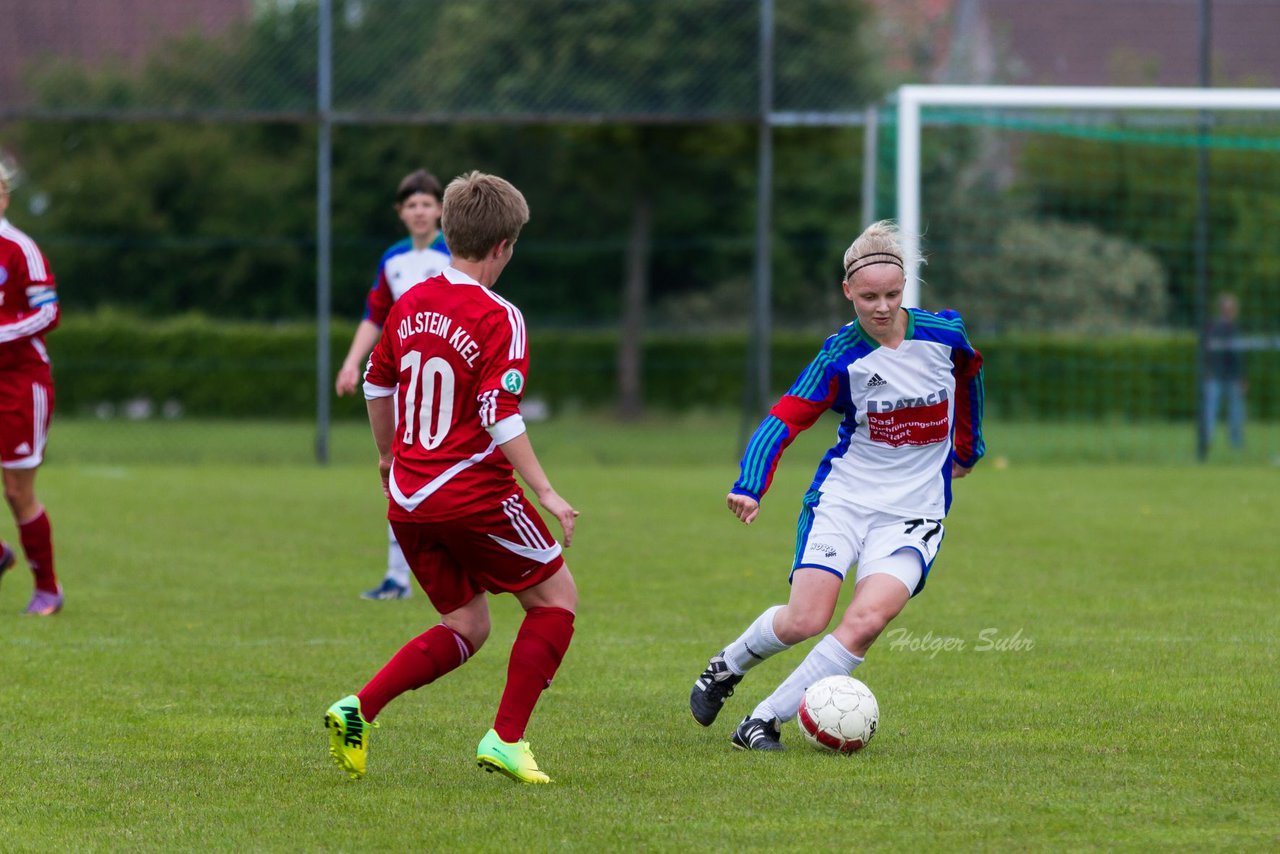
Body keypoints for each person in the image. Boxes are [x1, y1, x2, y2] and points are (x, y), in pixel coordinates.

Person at [688, 220, 984, 750]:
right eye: (869, 296)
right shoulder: (839, 356)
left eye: (893, 295)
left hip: (914, 512)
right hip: (844, 501)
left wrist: (967, 449)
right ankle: (724, 668)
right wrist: (751, 484)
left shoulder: (945, 336)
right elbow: (784, 419)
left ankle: (761, 720)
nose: (882, 307)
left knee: (868, 619)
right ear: (848, 292)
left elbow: (969, 381)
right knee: (807, 618)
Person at [325, 171, 579, 785]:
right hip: (470, 492)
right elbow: (498, 410)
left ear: (447, 231)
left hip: (408, 499)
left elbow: (375, 382)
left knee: (467, 624)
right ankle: (507, 740)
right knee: (555, 601)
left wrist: (387, 456)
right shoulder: (502, 317)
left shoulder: (411, 300)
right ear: (503, 247)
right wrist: (545, 491)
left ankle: (359, 709)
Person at [335, 168, 452, 600]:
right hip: (405, 386)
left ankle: (465, 570)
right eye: (411, 205)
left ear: (440, 209)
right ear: (400, 212)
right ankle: (397, 578)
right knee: (399, 473)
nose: (420, 212)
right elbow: (376, 316)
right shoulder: (394, 260)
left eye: (427, 204)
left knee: (452, 473)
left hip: (447, 388)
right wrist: (352, 362)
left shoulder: (455, 255)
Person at [0, 161, 63, 615]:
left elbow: (48, 312)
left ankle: (48, 589)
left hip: (20, 382)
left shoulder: (21, 249)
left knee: (18, 491)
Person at [1203, 292, 1245, 451]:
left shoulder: (1234, 328)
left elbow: (1238, 355)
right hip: (1216, 375)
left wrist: (1241, 376)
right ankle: (1206, 441)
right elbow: (1208, 352)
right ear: (1222, 309)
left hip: (1232, 377)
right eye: (1228, 307)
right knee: (1210, 411)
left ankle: (1236, 445)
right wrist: (1208, 371)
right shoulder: (1214, 327)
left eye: (1232, 307)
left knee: (1236, 412)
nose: (1231, 310)